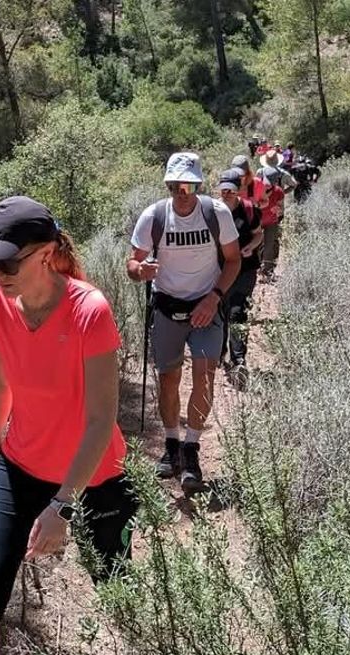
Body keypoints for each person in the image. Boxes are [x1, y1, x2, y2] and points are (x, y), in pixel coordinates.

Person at [0, 196, 137, 655]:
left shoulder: (88, 310)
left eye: (8, 260)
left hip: (96, 476)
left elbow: (101, 418)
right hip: (20, 464)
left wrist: (63, 506)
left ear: (46, 253)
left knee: (117, 589)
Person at [126, 152, 241, 492]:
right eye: (176, 185)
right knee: (168, 380)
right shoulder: (154, 216)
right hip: (167, 309)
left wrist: (214, 298)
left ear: (198, 184)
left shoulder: (216, 214)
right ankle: (172, 443)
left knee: (204, 374)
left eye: (188, 185)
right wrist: (139, 271)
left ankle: (191, 448)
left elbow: (233, 261)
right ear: (168, 184)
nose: (182, 192)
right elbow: (132, 263)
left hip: (207, 305)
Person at [216, 169, 262, 385]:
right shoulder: (212, 211)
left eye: (231, 191)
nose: (226, 195)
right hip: (219, 270)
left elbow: (258, 234)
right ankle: (219, 352)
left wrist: (251, 248)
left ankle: (238, 360)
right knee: (221, 310)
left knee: (238, 311)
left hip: (245, 270)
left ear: (239, 191)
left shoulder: (250, 210)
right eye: (223, 190)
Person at [258, 166, 287, 283]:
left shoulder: (278, 191)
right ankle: (257, 267)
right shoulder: (255, 188)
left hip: (271, 222)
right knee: (257, 245)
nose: (267, 185)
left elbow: (281, 207)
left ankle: (268, 271)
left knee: (269, 245)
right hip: (257, 222)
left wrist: (278, 211)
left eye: (271, 183)